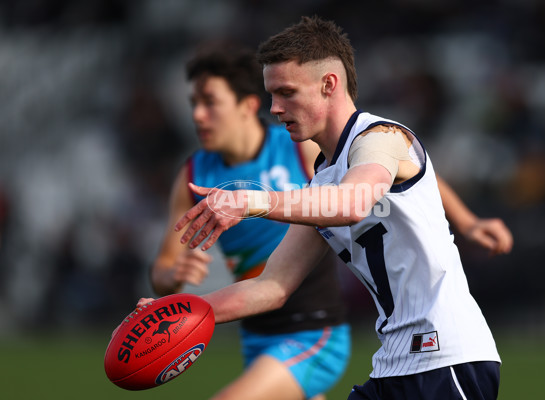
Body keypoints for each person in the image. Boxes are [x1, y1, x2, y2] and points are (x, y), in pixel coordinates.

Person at [140, 18, 512, 399]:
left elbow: (352, 203)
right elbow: (271, 287)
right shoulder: (322, 183)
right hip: (394, 363)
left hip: (446, 360)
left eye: (286, 92)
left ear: (329, 84)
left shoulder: (380, 137)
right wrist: (176, 312)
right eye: (271, 95)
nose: (275, 108)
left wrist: (251, 201)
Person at [151, 43, 350, 400]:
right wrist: (175, 274)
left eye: (210, 102)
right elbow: (161, 274)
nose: (198, 115)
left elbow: (394, 155)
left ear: (248, 106)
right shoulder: (193, 175)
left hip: (314, 331)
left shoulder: (298, 146)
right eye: (193, 104)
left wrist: (467, 222)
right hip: (256, 338)